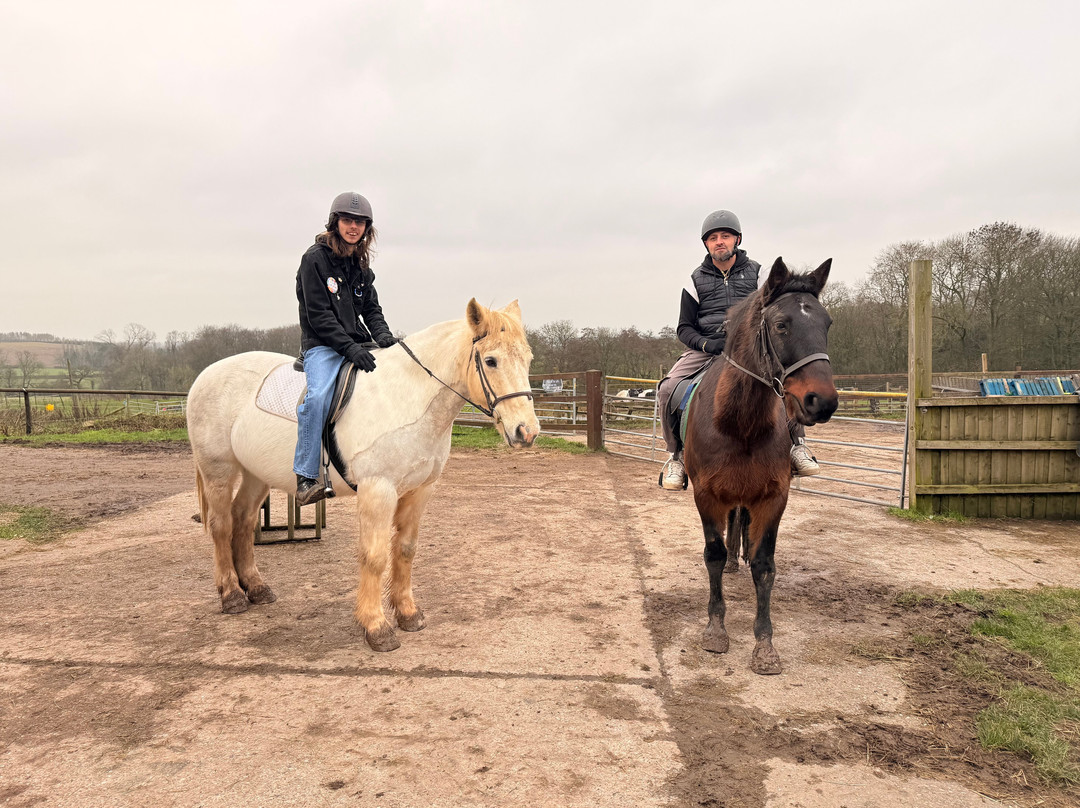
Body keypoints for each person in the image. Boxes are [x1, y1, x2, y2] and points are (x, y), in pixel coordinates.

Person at [655, 209, 820, 490]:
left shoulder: (759, 274)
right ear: (706, 244)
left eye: (726, 236)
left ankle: (797, 444)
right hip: (707, 349)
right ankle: (676, 456)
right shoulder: (694, 281)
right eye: (713, 238)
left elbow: (773, 312)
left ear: (737, 239)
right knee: (668, 389)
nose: (720, 242)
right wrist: (708, 344)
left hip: (750, 349)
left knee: (785, 380)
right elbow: (684, 328)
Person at [293, 191, 397, 505]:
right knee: (318, 397)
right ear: (335, 222)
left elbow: (372, 310)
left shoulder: (360, 265)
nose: (353, 227)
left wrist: (386, 341)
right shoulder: (314, 259)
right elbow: (320, 316)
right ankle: (305, 477)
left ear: (367, 228)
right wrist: (350, 348)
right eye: (348, 220)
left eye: (360, 222)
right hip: (323, 346)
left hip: (357, 343)